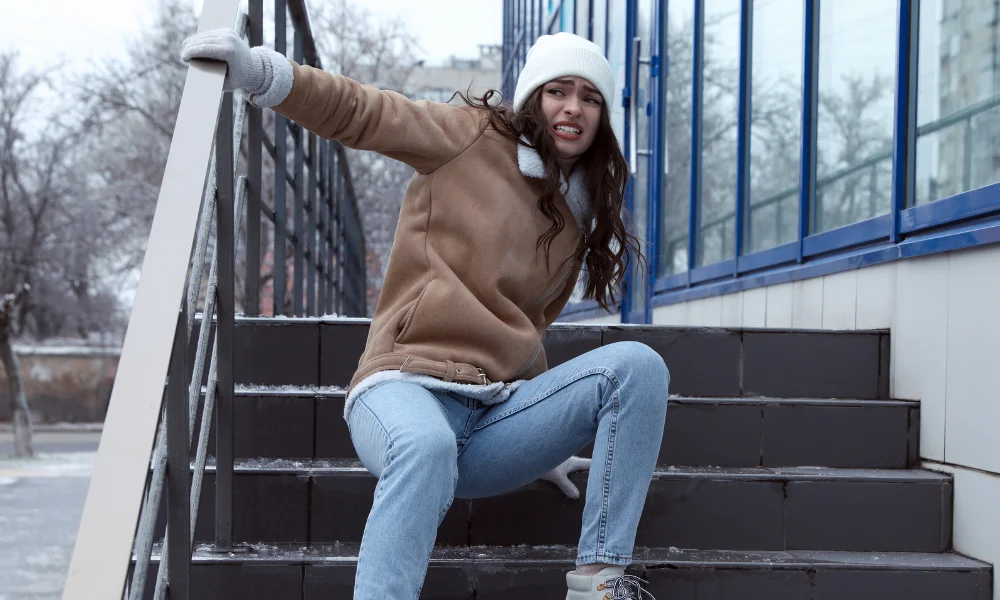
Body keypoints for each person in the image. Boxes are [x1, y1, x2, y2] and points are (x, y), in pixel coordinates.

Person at [181, 25, 669, 600]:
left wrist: (546, 447)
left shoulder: (577, 211)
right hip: (403, 389)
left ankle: (600, 585)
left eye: (591, 98)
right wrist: (262, 75)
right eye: (559, 90)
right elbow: (363, 111)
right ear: (533, 95)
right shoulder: (470, 139)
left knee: (638, 366)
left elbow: (526, 327)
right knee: (427, 445)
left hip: (492, 416)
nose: (573, 108)